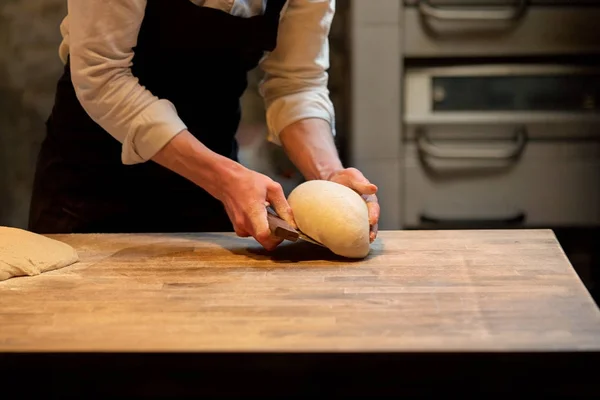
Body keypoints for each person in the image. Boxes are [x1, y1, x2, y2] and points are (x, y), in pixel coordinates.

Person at [28, 0, 380, 251]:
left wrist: (330, 176)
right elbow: (101, 75)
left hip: (212, 191)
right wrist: (224, 178)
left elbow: (297, 84)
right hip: (91, 185)